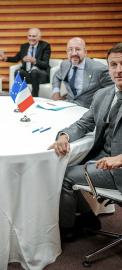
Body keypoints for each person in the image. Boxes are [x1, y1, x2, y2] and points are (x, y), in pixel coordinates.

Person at [47, 42, 122, 243]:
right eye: (113, 65)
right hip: (102, 159)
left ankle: (67, 230)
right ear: (108, 68)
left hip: (119, 168)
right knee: (67, 167)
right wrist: (64, 136)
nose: (119, 70)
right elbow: (84, 123)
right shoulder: (104, 94)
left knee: (64, 177)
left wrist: (120, 159)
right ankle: (89, 219)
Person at [52, 37, 113, 108]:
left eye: (78, 49)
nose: (74, 53)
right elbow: (56, 76)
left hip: (88, 110)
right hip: (69, 107)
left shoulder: (99, 69)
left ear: (85, 52)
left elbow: (114, 89)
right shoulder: (65, 64)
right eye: (70, 49)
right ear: (67, 52)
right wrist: (55, 92)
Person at [0, 28, 50, 97]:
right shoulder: (24, 46)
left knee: (34, 72)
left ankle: (34, 98)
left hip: (40, 75)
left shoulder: (45, 46)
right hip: (28, 74)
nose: (31, 38)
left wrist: (34, 61)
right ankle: (18, 97)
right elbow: (16, 58)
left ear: (39, 37)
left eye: (34, 36)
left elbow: (45, 64)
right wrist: (6, 58)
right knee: (18, 72)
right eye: (29, 36)